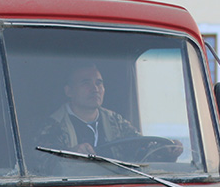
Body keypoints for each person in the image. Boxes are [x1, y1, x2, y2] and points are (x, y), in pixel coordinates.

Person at [36, 64, 182, 162]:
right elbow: (41, 162)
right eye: (86, 82)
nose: (95, 88)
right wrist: (70, 153)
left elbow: (141, 148)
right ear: (69, 91)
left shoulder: (115, 121)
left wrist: (167, 149)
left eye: (99, 83)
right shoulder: (52, 125)